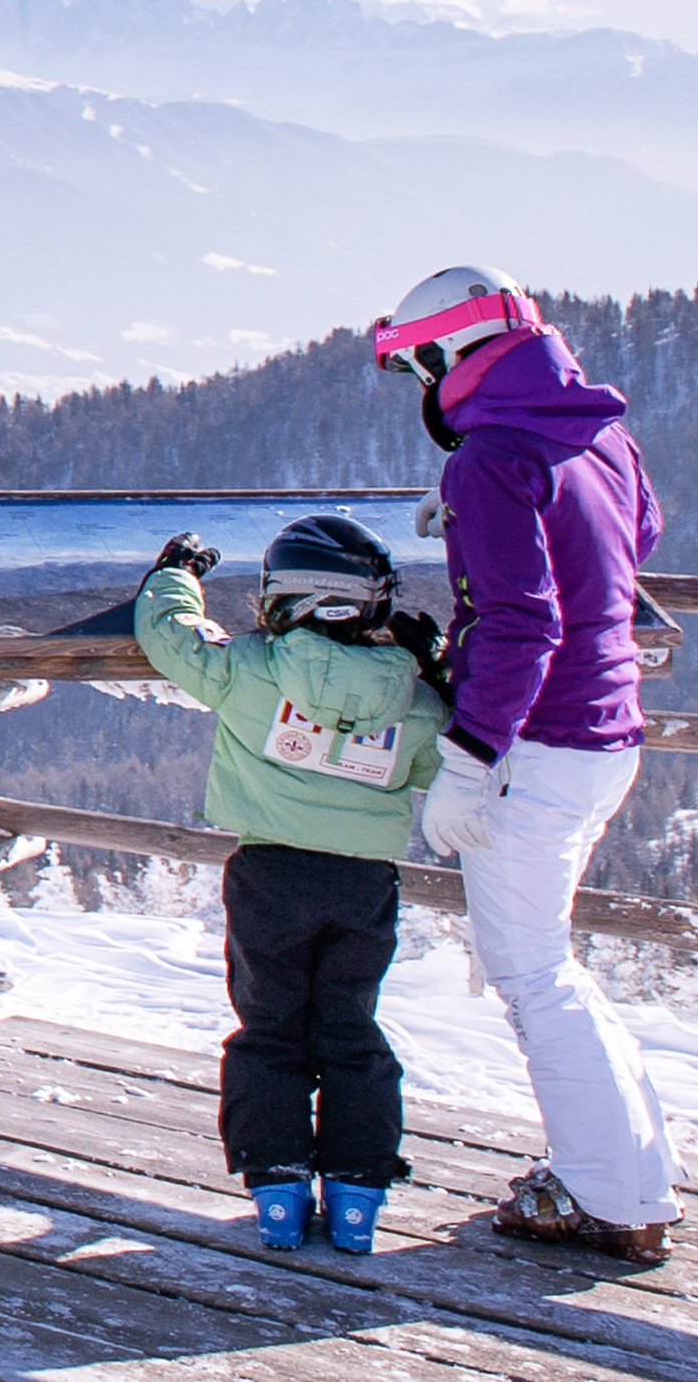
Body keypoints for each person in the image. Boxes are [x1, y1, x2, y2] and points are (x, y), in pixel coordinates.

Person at [374, 265, 683, 1262]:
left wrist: (469, 758)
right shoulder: (595, 433)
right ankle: (629, 1174)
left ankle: (611, 1199)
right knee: (555, 970)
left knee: (532, 975)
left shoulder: (492, 458)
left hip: (534, 750)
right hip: (606, 737)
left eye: (419, 364)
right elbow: (632, 540)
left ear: (445, 357)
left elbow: (519, 621)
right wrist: (476, 514)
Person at [134, 515, 447, 1253]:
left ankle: (275, 1191)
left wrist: (175, 572)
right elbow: (442, 766)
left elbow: (169, 633)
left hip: (269, 873)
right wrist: (432, 671)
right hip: (361, 885)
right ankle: (356, 1199)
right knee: (349, 1028)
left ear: (280, 600)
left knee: (269, 1027)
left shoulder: (247, 668)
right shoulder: (416, 703)